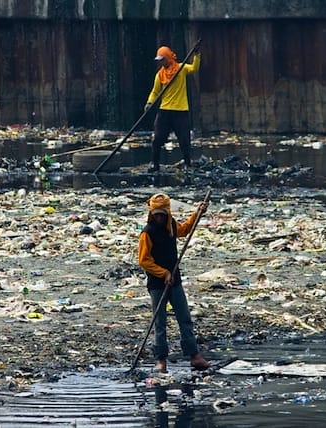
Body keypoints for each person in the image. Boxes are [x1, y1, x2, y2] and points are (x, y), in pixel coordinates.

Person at [137, 193, 211, 372]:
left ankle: (194, 356)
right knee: (160, 321)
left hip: (175, 281)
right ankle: (161, 359)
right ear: (151, 213)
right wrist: (163, 273)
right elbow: (143, 260)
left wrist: (197, 214)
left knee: (184, 318)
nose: (159, 217)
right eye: (156, 214)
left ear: (168, 212)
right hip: (157, 284)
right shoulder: (147, 232)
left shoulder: (171, 226)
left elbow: (185, 229)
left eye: (162, 214)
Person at [145, 43, 201, 172]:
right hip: (164, 110)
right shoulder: (160, 75)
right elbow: (155, 91)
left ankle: (187, 163)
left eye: (162, 60)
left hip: (180, 110)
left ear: (168, 58)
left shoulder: (181, 69)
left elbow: (194, 68)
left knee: (184, 139)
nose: (161, 63)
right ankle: (155, 163)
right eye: (159, 61)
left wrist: (197, 55)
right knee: (157, 138)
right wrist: (149, 102)